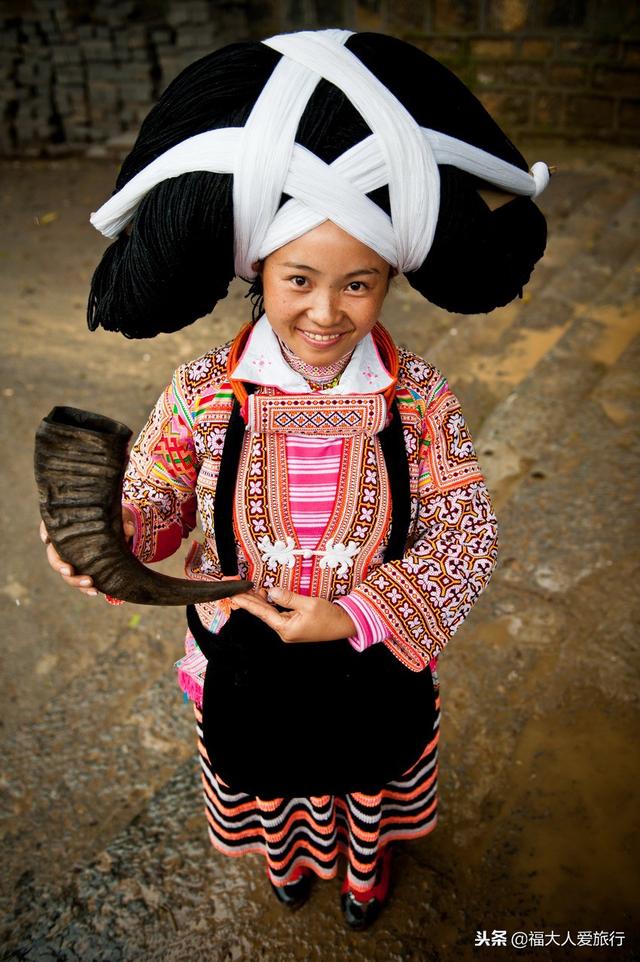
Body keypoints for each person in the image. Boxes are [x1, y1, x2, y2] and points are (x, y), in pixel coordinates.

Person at [40, 28, 549, 929]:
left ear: (391, 277)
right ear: (257, 271)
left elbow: (466, 534)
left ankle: (364, 876)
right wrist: (109, 536)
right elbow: (156, 497)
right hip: (240, 653)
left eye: (358, 284)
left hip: (372, 655)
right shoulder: (204, 390)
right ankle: (287, 868)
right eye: (299, 278)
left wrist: (355, 613)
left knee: (368, 786)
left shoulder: (421, 399)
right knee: (268, 786)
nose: (325, 311)